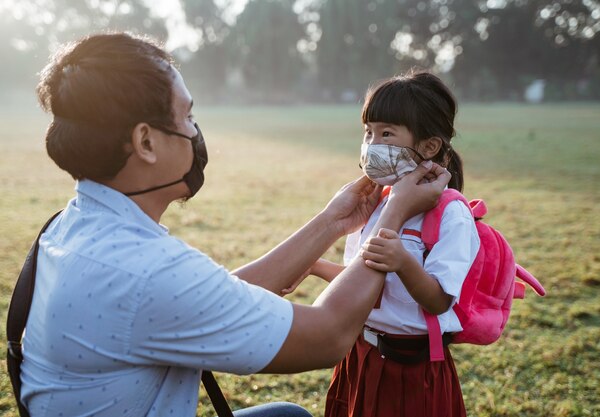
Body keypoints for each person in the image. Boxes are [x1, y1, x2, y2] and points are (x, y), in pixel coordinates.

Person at [18, 33, 451, 417]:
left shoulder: (69, 227)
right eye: (187, 117)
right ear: (146, 142)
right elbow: (330, 334)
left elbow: (209, 296)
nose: (196, 131)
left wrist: (332, 222)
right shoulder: (146, 272)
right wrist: (392, 216)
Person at [295, 71, 480, 417]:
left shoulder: (451, 214)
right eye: (368, 133)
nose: (372, 144)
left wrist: (404, 262)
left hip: (411, 370)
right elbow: (361, 281)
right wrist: (313, 267)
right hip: (360, 356)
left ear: (429, 146)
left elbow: (440, 300)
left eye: (387, 134)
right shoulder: (377, 201)